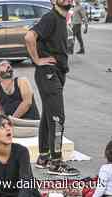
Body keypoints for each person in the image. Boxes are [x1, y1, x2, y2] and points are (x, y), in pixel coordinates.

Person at [25, 0, 80, 175]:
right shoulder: (51, 17)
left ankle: (44, 157)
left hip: (55, 73)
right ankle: (56, 162)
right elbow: (29, 37)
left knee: (49, 115)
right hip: (48, 73)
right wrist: (37, 60)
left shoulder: (62, 18)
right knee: (57, 117)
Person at [0, 115, 40, 197]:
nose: (8, 128)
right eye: (2, 126)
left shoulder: (22, 151)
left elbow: (26, 182)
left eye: (9, 125)